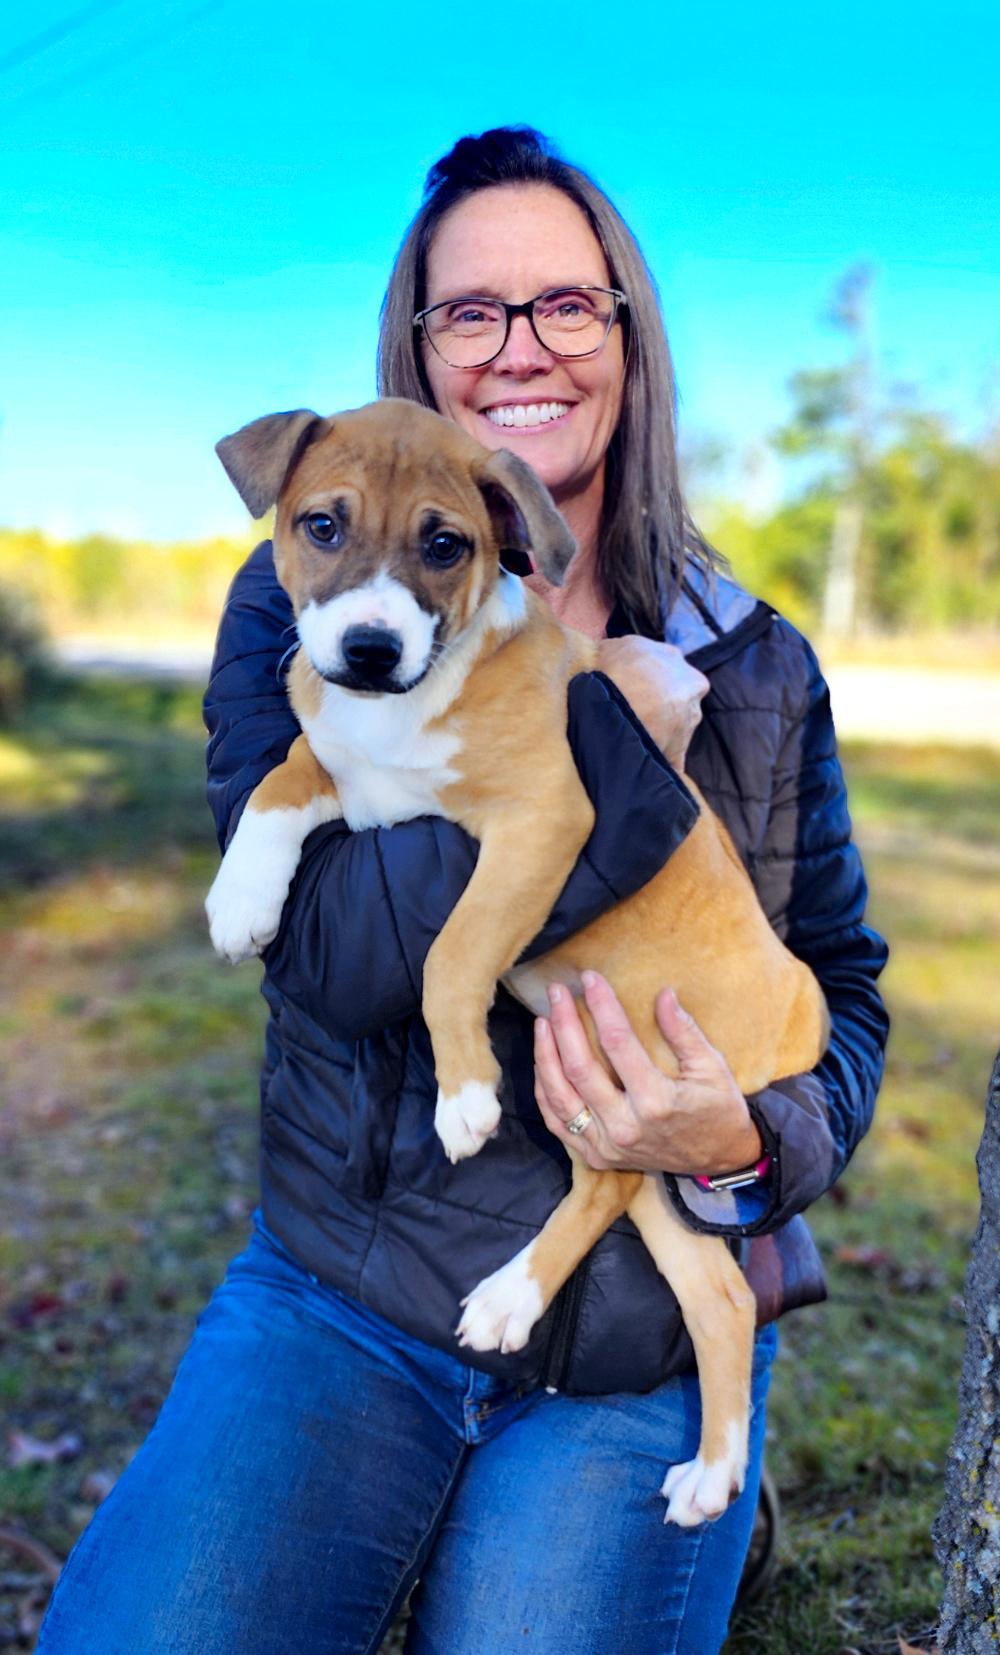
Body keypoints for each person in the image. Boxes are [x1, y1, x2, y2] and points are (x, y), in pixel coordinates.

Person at [37, 126, 889, 1655]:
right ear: (419, 345)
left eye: (567, 304)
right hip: (348, 1302)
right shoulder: (299, 597)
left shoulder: (757, 662)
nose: (520, 348)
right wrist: (609, 751)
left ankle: (698, 1465)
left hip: (628, 1340)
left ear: (629, 334)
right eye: (471, 311)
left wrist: (748, 1148)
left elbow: (841, 987)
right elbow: (331, 956)